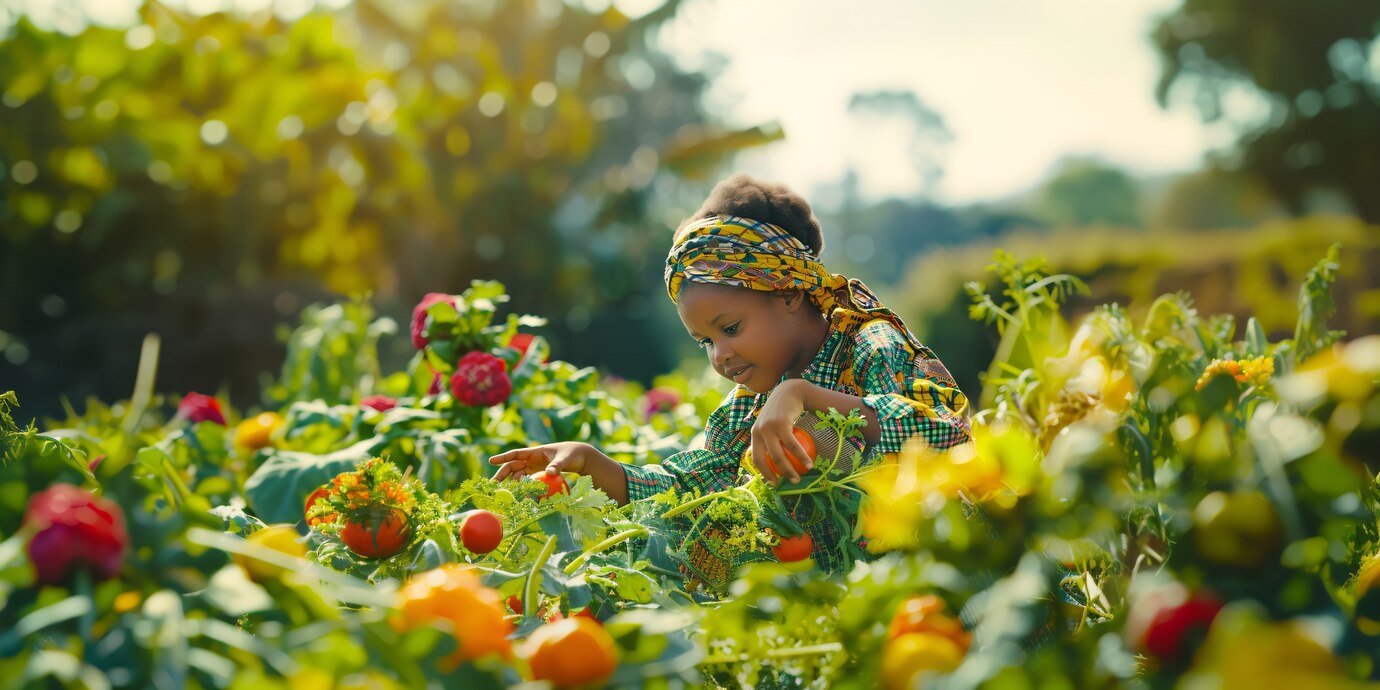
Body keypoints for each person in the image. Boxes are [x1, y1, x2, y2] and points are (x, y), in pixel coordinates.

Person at [489, 173, 971, 567]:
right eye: (705, 342)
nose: (719, 356)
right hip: (844, 602)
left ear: (788, 292)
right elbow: (688, 488)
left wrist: (804, 397)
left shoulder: (868, 343)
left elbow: (944, 434)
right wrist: (594, 465)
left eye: (731, 328)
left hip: (940, 567)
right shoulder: (747, 407)